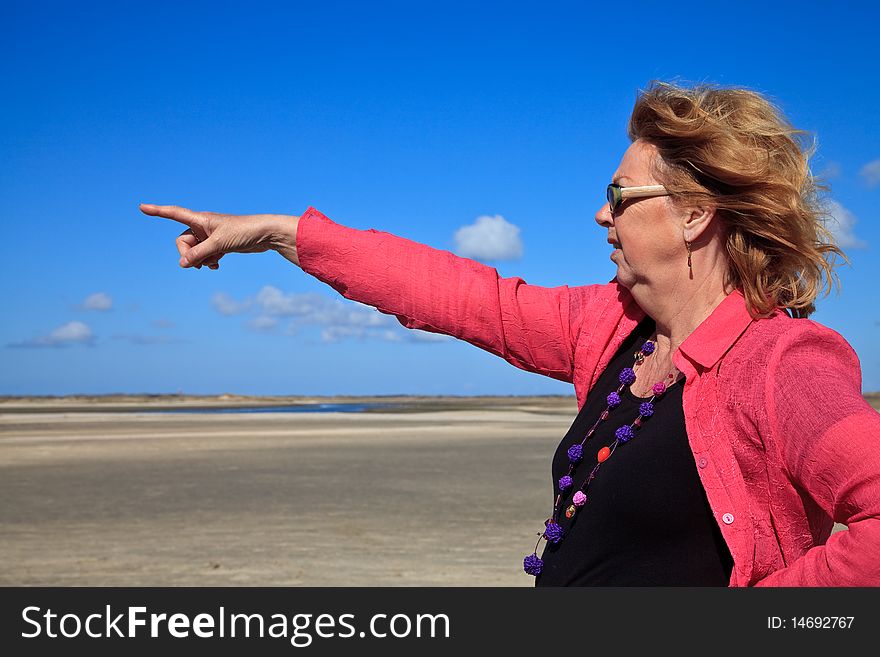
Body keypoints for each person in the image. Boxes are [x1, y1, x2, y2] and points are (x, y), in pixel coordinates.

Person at [141, 81, 880, 586]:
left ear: (693, 214)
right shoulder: (614, 329)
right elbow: (460, 295)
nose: (602, 216)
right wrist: (279, 234)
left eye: (619, 196)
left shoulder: (781, 360)